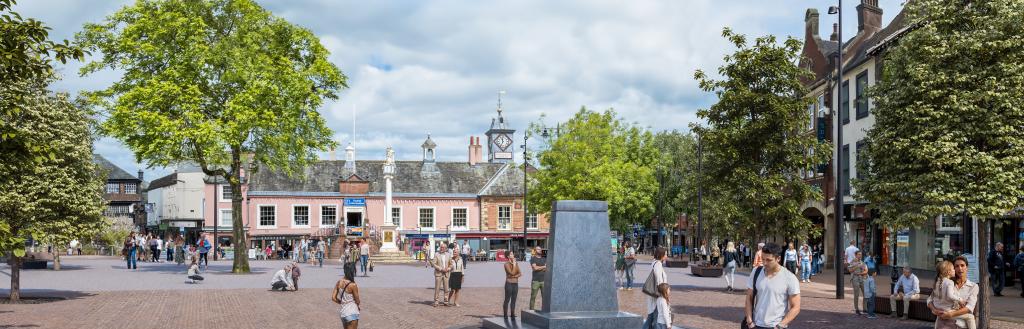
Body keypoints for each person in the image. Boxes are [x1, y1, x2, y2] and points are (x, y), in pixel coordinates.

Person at [743, 243, 801, 329]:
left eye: (769, 260)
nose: (765, 263)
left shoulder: (789, 278)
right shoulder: (756, 272)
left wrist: (780, 325)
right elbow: (749, 297)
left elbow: (796, 307)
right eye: (763, 259)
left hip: (776, 326)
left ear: (778, 259)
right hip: (756, 324)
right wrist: (749, 321)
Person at [928, 256, 979, 329]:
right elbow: (930, 300)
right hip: (942, 323)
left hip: (960, 325)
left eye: (962, 265)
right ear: (953, 269)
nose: (960, 268)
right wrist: (935, 310)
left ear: (966, 267)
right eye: (957, 266)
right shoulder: (946, 283)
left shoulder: (973, 286)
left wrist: (951, 314)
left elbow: (969, 307)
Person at [642, 247, 671, 329]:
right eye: (665, 254)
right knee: (652, 317)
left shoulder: (655, 262)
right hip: (657, 294)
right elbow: (659, 281)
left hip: (655, 294)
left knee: (652, 316)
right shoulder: (658, 264)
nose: (666, 256)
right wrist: (664, 293)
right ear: (661, 255)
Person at [847, 250, 868, 315]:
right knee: (857, 294)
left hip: (862, 278)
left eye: (861, 254)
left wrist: (862, 273)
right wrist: (857, 266)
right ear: (856, 255)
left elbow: (866, 270)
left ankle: (865, 309)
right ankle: (857, 309)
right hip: (855, 278)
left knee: (865, 293)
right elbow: (850, 270)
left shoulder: (862, 262)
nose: (860, 256)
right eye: (859, 254)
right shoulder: (852, 262)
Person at [502, 250, 521, 319]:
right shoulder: (506, 264)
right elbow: (512, 272)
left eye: (513, 254)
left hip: (515, 283)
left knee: (514, 299)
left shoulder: (516, 263)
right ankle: (505, 314)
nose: (513, 255)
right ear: (508, 256)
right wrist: (514, 265)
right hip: (509, 283)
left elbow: (520, 273)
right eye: (512, 254)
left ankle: (512, 314)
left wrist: (514, 276)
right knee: (507, 299)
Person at [432, 243, 452, 307]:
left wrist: (448, 268)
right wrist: (440, 269)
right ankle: (436, 301)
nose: (442, 248)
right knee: (437, 288)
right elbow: (433, 264)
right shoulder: (436, 254)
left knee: (446, 289)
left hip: (446, 273)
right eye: (441, 247)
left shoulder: (448, 255)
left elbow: (451, 264)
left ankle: (446, 301)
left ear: (446, 249)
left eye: (443, 247)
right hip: (438, 273)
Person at [529, 246, 547, 310]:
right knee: (533, 297)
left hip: (543, 281)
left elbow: (546, 269)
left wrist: (539, 267)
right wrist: (543, 267)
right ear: (535, 250)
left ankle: (544, 310)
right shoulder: (533, 259)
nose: (540, 250)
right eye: (538, 249)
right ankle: (531, 311)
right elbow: (535, 268)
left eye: (540, 249)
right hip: (535, 281)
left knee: (545, 298)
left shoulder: (544, 259)